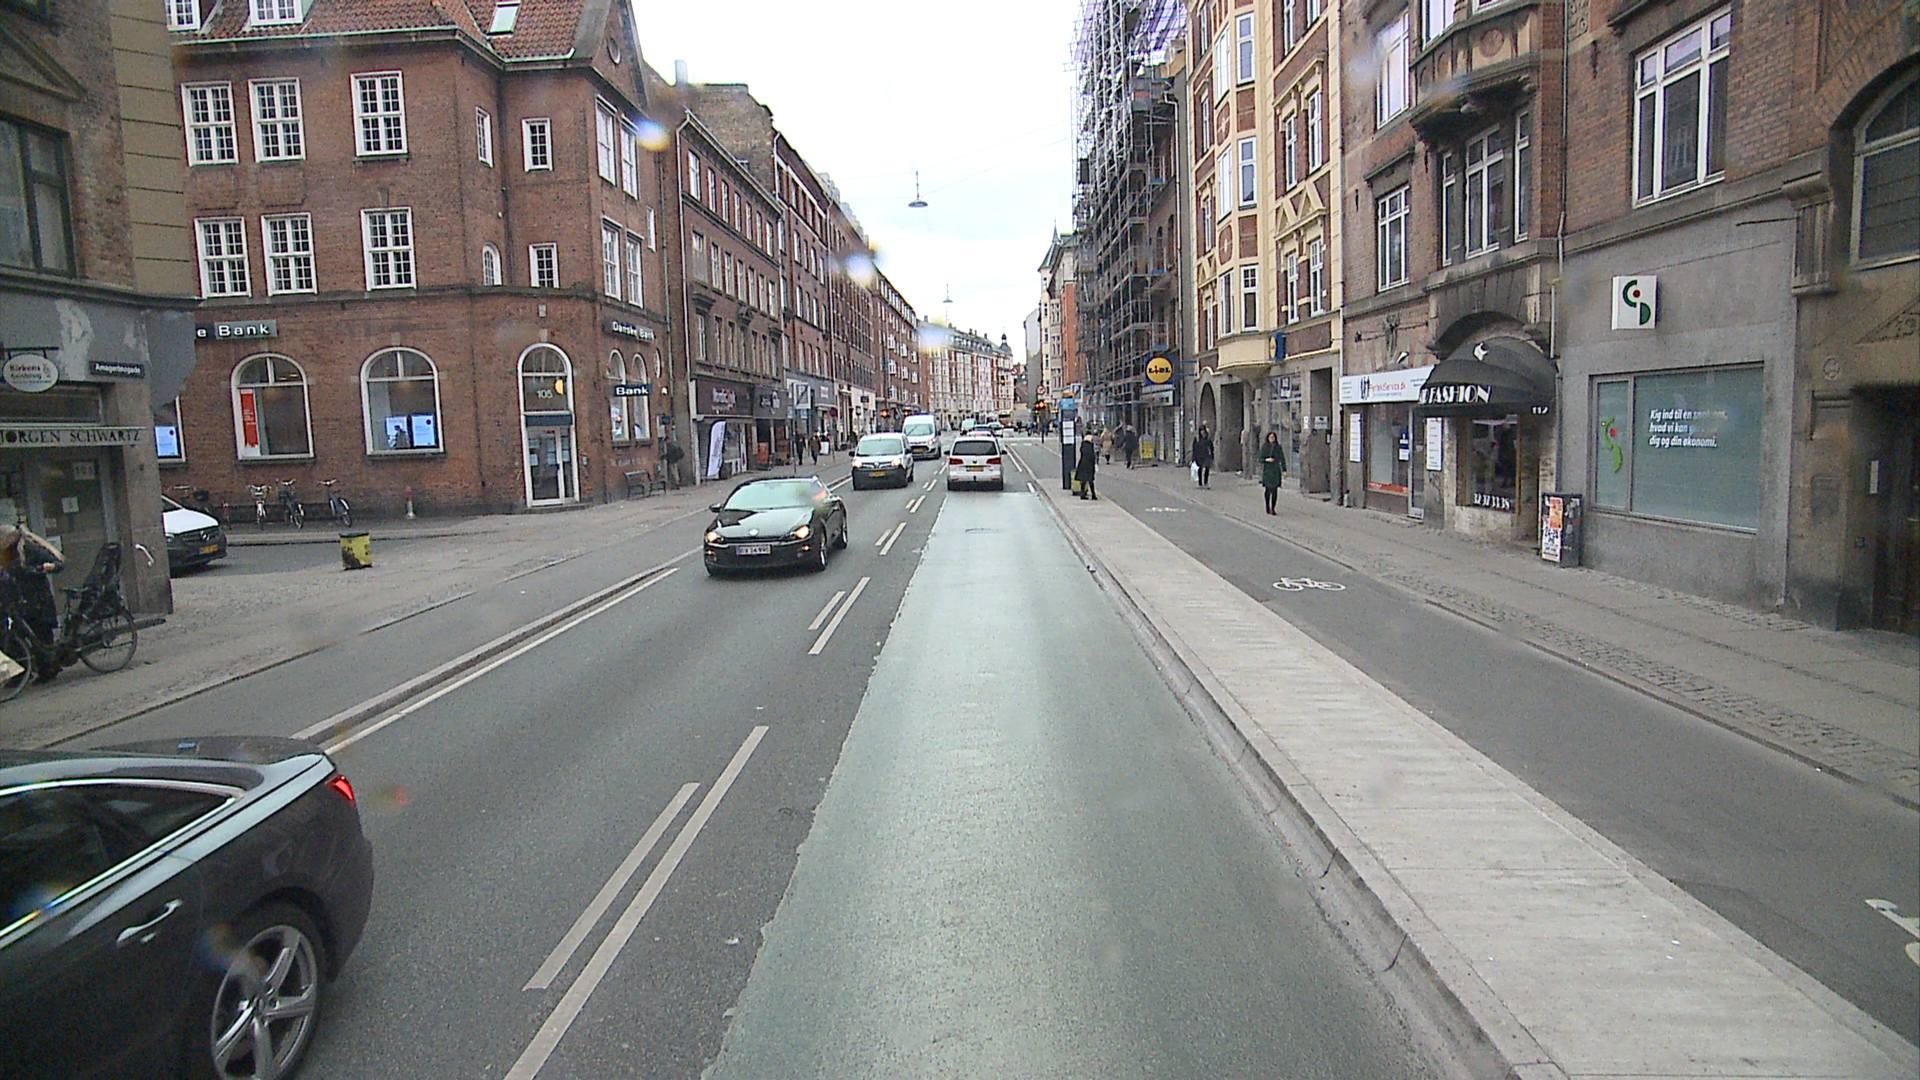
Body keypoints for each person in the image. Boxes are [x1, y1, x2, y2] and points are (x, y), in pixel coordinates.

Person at [0, 524, 65, 680]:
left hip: (38, 600)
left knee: (41, 635)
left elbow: (58, 563)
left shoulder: (30, 548)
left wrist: (47, 567)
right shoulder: (7, 553)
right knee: (20, 635)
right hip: (20, 601)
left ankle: (49, 669)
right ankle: (24, 672)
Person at [1259, 431, 1287, 515]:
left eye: (1273, 437)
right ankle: (1267, 506)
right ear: (1268, 438)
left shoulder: (1278, 447)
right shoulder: (1265, 447)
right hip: (1267, 470)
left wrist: (1284, 470)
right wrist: (1266, 460)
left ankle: (1273, 508)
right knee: (1268, 490)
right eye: (1270, 437)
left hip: (1275, 470)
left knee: (1275, 490)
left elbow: (1282, 458)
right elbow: (1260, 459)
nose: (1272, 439)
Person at [1075, 430, 1099, 500]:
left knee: (1084, 480)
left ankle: (1083, 494)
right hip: (1089, 465)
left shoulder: (1083, 445)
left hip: (1082, 464)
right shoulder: (1090, 446)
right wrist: (1095, 463)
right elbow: (1092, 456)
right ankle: (1093, 495)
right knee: (1090, 480)